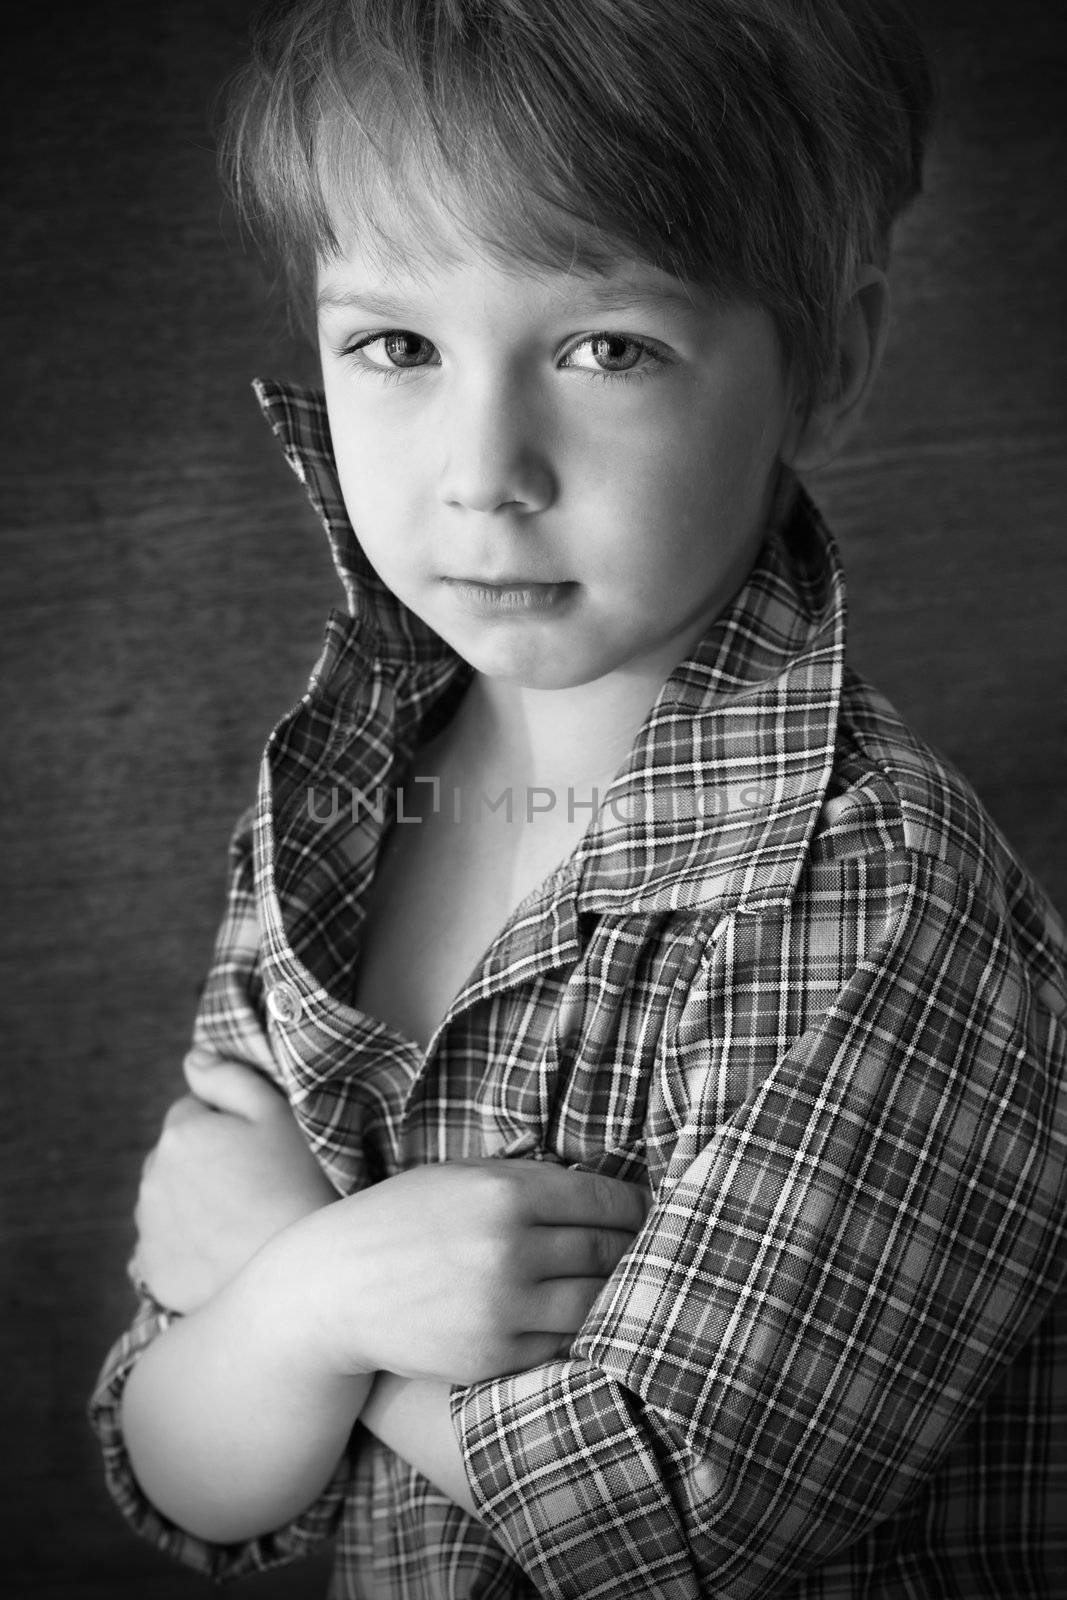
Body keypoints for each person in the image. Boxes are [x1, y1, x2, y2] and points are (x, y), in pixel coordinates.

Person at [90, 1, 1067, 1595]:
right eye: (396, 346)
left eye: (607, 348)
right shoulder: (342, 789)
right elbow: (185, 1469)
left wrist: (301, 1294)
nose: (486, 471)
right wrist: (291, 1312)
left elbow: (672, 1543)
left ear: (831, 362)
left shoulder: (871, 898)